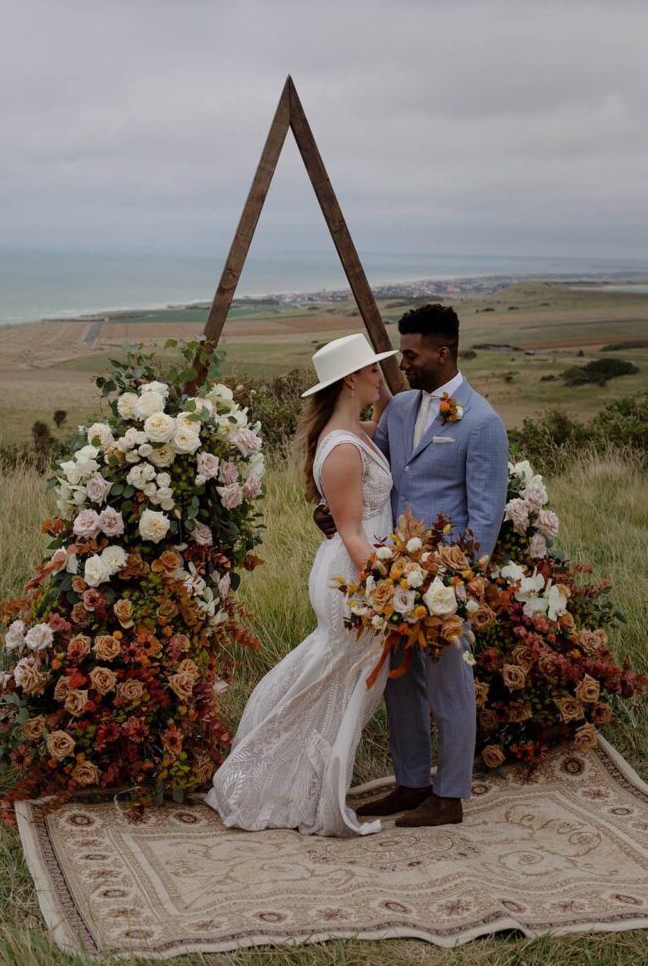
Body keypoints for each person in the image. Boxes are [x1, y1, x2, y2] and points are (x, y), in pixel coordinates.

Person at [205, 333, 398, 837]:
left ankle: (300, 783)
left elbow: (391, 414)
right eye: (373, 371)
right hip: (355, 576)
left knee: (335, 678)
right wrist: (393, 588)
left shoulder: (352, 432)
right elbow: (354, 533)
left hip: (356, 571)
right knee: (333, 677)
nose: (382, 378)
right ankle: (271, 779)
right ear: (351, 379)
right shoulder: (340, 450)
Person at [352, 303, 509, 827]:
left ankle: (450, 795)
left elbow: (485, 517)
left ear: (443, 353)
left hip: (445, 585)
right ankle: (412, 783)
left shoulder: (482, 422)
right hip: (395, 577)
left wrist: (454, 582)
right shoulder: (398, 411)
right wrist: (334, 508)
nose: (404, 363)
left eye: (412, 354)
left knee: (449, 686)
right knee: (400, 683)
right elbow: (371, 473)